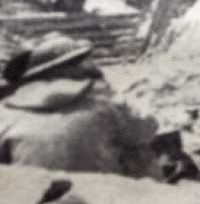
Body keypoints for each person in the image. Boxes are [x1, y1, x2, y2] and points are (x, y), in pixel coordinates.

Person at [0, 35, 158, 177]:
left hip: (32, 202)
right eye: (81, 61)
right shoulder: (102, 106)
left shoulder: (5, 113)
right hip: (97, 199)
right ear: (68, 70)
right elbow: (147, 130)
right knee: (139, 150)